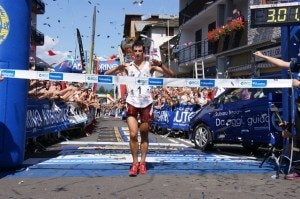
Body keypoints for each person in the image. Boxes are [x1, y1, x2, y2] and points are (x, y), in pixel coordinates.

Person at [104, 39, 174, 176]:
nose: (137, 53)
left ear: (144, 52)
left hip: (146, 103)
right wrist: (118, 68)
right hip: (131, 102)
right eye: (135, 51)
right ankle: (134, 163)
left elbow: (171, 74)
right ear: (131, 53)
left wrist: (160, 64)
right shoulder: (128, 66)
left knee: (144, 134)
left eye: (140, 51)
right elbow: (106, 75)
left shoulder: (149, 66)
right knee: (132, 134)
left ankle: (143, 162)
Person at [253, 50, 300, 179]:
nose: (299, 53)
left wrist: (299, 84)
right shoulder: (297, 64)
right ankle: (296, 168)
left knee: (295, 138)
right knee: (295, 138)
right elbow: (281, 63)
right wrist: (263, 56)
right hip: (298, 107)